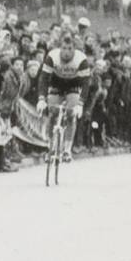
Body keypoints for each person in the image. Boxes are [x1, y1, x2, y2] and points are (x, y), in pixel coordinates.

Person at [35, 33, 92, 163]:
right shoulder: (52, 56)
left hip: (73, 85)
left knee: (71, 115)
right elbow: (43, 78)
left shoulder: (81, 59)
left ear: (75, 49)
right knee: (52, 113)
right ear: (60, 48)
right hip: (56, 83)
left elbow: (86, 83)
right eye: (64, 48)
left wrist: (80, 104)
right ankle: (50, 147)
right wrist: (41, 99)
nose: (66, 52)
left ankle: (67, 149)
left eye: (70, 49)